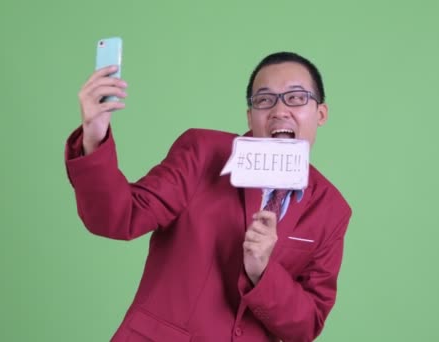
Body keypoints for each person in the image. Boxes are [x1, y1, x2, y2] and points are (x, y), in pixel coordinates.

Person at [65, 51, 352, 342]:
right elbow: (119, 217)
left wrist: (263, 272)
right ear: (250, 116)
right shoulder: (203, 152)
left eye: (296, 97)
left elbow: (305, 326)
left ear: (321, 114)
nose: (279, 111)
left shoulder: (332, 210)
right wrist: (94, 136)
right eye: (264, 100)